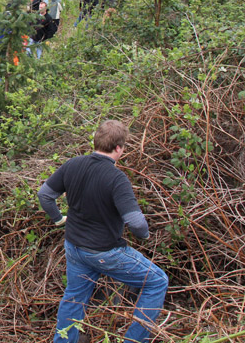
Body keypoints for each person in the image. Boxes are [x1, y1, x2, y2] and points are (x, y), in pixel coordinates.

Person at [38, 120, 168, 343]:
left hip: (74, 247)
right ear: (118, 148)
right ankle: (134, 340)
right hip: (104, 252)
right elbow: (136, 223)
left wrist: (59, 219)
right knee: (157, 281)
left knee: (75, 297)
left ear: (95, 141)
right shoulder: (116, 179)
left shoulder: (73, 164)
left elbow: (45, 195)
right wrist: (145, 236)